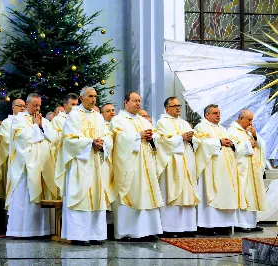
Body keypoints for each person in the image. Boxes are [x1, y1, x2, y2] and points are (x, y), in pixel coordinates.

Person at [55, 87, 113, 246]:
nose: (93, 99)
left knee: (96, 197)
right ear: (81, 98)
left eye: (95, 96)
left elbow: (108, 136)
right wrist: (89, 142)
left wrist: (103, 144)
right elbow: (69, 140)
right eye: (90, 96)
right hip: (80, 164)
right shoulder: (74, 114)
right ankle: (79, 235)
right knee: (80, 197)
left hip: (95, 163)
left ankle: (96, 234)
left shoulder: (98, 116)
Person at [111, 92, 163, 241]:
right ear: (126, 102)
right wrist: (137, 136)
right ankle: (127, 232)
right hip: (129, 165)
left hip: (146, 163)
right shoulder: (118, 120)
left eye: (139, 101)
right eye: (135, 101)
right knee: (130, 193)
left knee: (147, 194)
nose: (138, 104)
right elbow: (118, 138)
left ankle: (148, 231)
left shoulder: (144, 121)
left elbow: (157, 136)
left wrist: (152, 137)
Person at [5, 93, 57, 237]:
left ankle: (43, 230)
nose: (37, 107)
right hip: (25, 165)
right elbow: (21, 138)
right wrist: (36, 127)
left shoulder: (44, 120)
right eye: (35, 105)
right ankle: (23, 231)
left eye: (39, 105)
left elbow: (53, 137)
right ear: (27, 105)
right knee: (25, 195)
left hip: (42, 163)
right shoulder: (18, 119)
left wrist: (40, 126)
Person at [195, 104, 244, 235]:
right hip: (211, 168)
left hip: (226, 169)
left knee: (225, 195)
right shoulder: (201, 127)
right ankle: (208, 225)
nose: (218, 115)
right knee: (211, 194)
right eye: (215, 113)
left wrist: (231, 144)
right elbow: (201, 144)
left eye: (219, 113)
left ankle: (223, 224)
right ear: (207, 115)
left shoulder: (222, 128)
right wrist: (219, 142)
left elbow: (233, 143)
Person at [156, 97, 200, 237]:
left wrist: (192, 138)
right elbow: (162, 141)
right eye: (174, 106)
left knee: (187, 193)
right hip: (171, 163)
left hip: (186, 161)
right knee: (172, 193)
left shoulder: (184, 123)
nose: (177, 108)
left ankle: (188, 226)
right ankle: (170, 228)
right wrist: (181, 138)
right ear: (167, 109)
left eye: (179, 106)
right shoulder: (162, 122)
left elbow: (197, 140)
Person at [228, 110, 267, 232]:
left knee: (252, 195)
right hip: (241, 169)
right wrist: (247, 144)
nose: (251, 122)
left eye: (252, 120)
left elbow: (261, 145)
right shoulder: (232, 131)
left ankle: (251, 223)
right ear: (240, 118)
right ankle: (241, 224)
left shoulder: (249, 131)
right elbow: (233, 150)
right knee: (243, 194)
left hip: (252, 168)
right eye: (249, 120)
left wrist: (255, 136)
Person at [0, 99, 25, 197]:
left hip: (26, 158)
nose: (22, 108)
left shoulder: (28, 121)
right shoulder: (7, 122)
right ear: (13, 107)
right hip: (12, 158)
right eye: (19, 106)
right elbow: (6, 140)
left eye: (23, 106)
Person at [51, 93, 79, 157]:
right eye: (73, 104)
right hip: (64, 153)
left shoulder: (81, 118)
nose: (76, 107)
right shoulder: (57, 120)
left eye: (77, 104)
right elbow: (56, 139)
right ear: (65, 106)